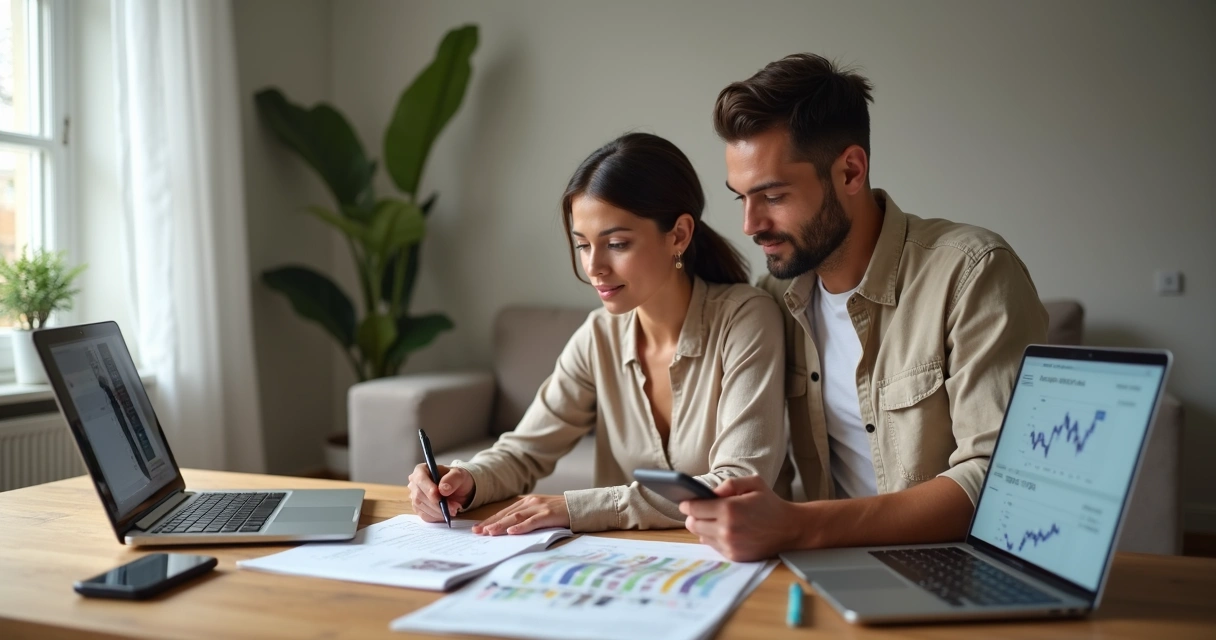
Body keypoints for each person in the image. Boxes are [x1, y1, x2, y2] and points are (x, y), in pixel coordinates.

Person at [681, 54, 1049, 561]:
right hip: (830, 564)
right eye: (741, 198)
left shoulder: (972, 273)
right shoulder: (774, 300)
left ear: (850, 171)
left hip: (953, 565)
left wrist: (798, 525)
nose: (751, 224)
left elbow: (998, 478)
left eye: (774, 196)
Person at [408, 132, 787, 534]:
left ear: (678, 235)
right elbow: (525, 451)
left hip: (743, 555)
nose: (594, 267)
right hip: (631, 557)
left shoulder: (745, 319)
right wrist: (465, 480)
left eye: (617, 243)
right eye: (584, 245)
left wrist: (577, 508)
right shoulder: (599, 335)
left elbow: (736, 485)